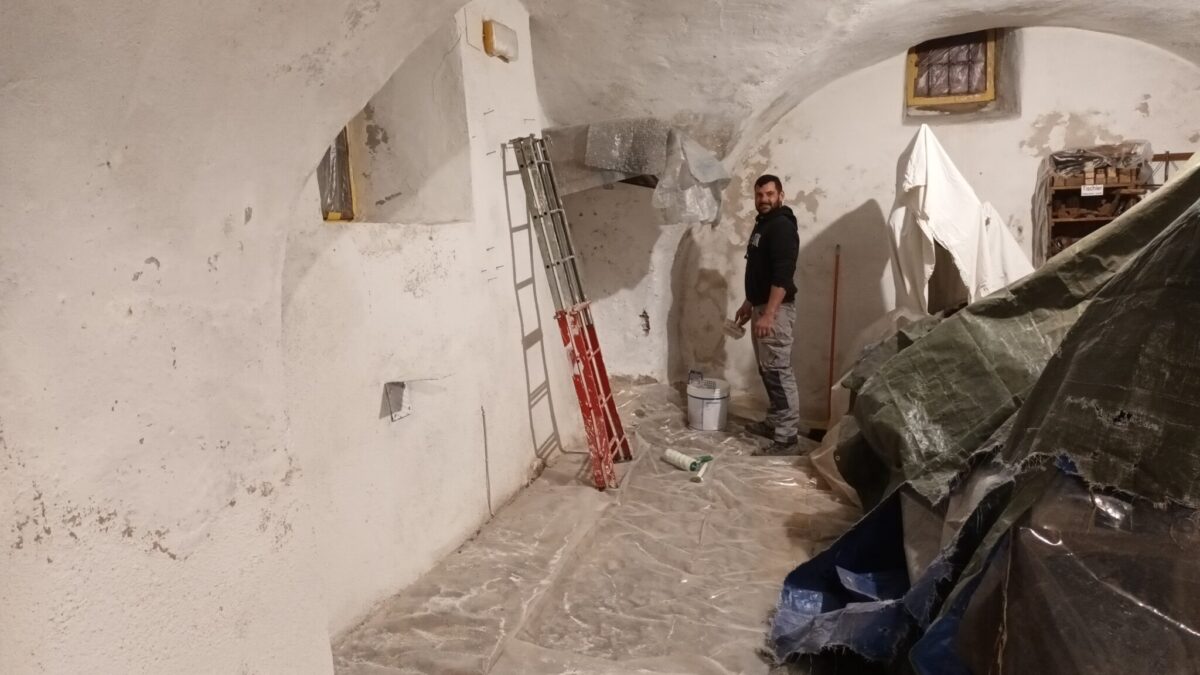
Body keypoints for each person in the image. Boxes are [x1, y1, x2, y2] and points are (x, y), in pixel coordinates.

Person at [734, 174, 801, 455]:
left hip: (776, 311)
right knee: (768, 370)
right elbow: (760, 270)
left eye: (770, 194)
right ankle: (775, 423)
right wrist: (749, 302)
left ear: (781, 196)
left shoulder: (782, 227)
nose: (764, 199)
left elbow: (783, 276)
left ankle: (787, 438)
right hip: (762, 307)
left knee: (778, 372)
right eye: (760, 194)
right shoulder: (764, 224)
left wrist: (770, 314)